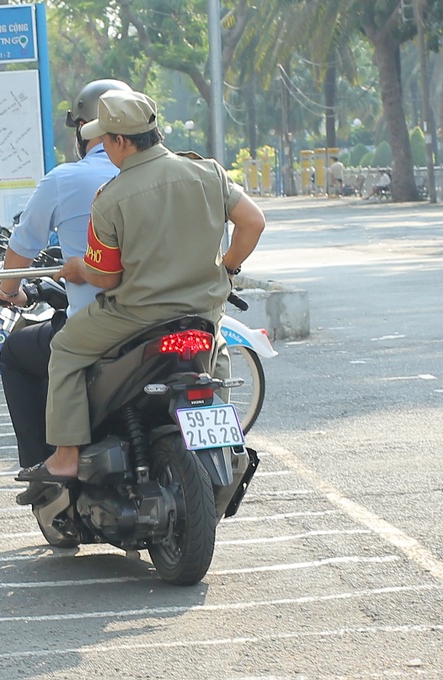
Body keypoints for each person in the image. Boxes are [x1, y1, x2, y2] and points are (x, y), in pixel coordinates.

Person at [18, 89, 266, 484]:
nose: (104, 148)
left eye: (106, 140)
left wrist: (78, 269)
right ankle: (219, 446)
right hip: (201, 314)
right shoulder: (207, 173)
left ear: (120, 142)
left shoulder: (111, 198)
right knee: (215, 361)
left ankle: (65, 457)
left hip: (137, 317)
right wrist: (227, 269)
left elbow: (108, 277)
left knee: (64, 348)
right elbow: (253, 222)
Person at [0, 79, 132, 469]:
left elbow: (24, 250)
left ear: (87, 133)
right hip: (177, 315)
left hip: (107, 324)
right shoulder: (182, 175)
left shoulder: (74, 181)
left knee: (22, 354)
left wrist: (10, 289)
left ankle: (49, 465)